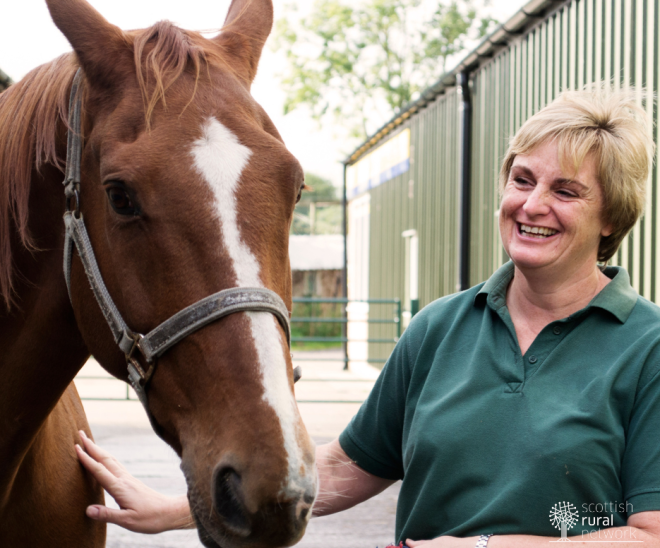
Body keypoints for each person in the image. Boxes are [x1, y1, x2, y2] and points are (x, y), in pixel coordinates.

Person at [76, 86, 660, 547]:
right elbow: (349, 465)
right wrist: (182, 507)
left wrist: (484, 547)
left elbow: (650, 535)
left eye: (566, 191)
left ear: (613, 215)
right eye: (522, 179)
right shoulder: (441, 328)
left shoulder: (646, 346)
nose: (532, 205)